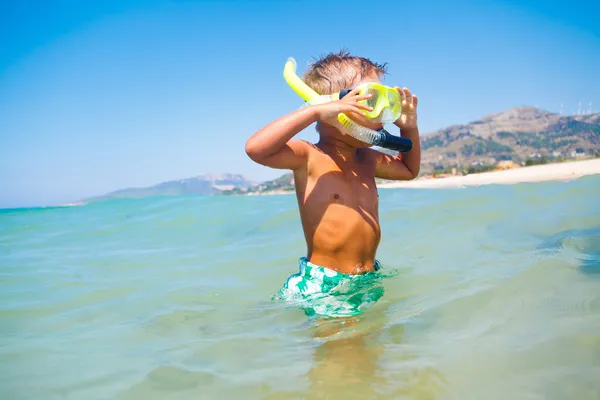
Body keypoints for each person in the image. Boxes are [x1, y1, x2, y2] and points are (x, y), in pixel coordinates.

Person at [245, 50, 421, 317]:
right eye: (372, 100)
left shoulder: (368, 159)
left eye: (389, 101)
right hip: (326, 284)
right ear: (334, 107)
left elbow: (409, 170)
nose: (384, 113)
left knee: (372, 347)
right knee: (340, 355)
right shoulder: (309, 157)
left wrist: (409, 128)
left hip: (367, 277)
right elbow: (256, 148)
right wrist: (316, 111)